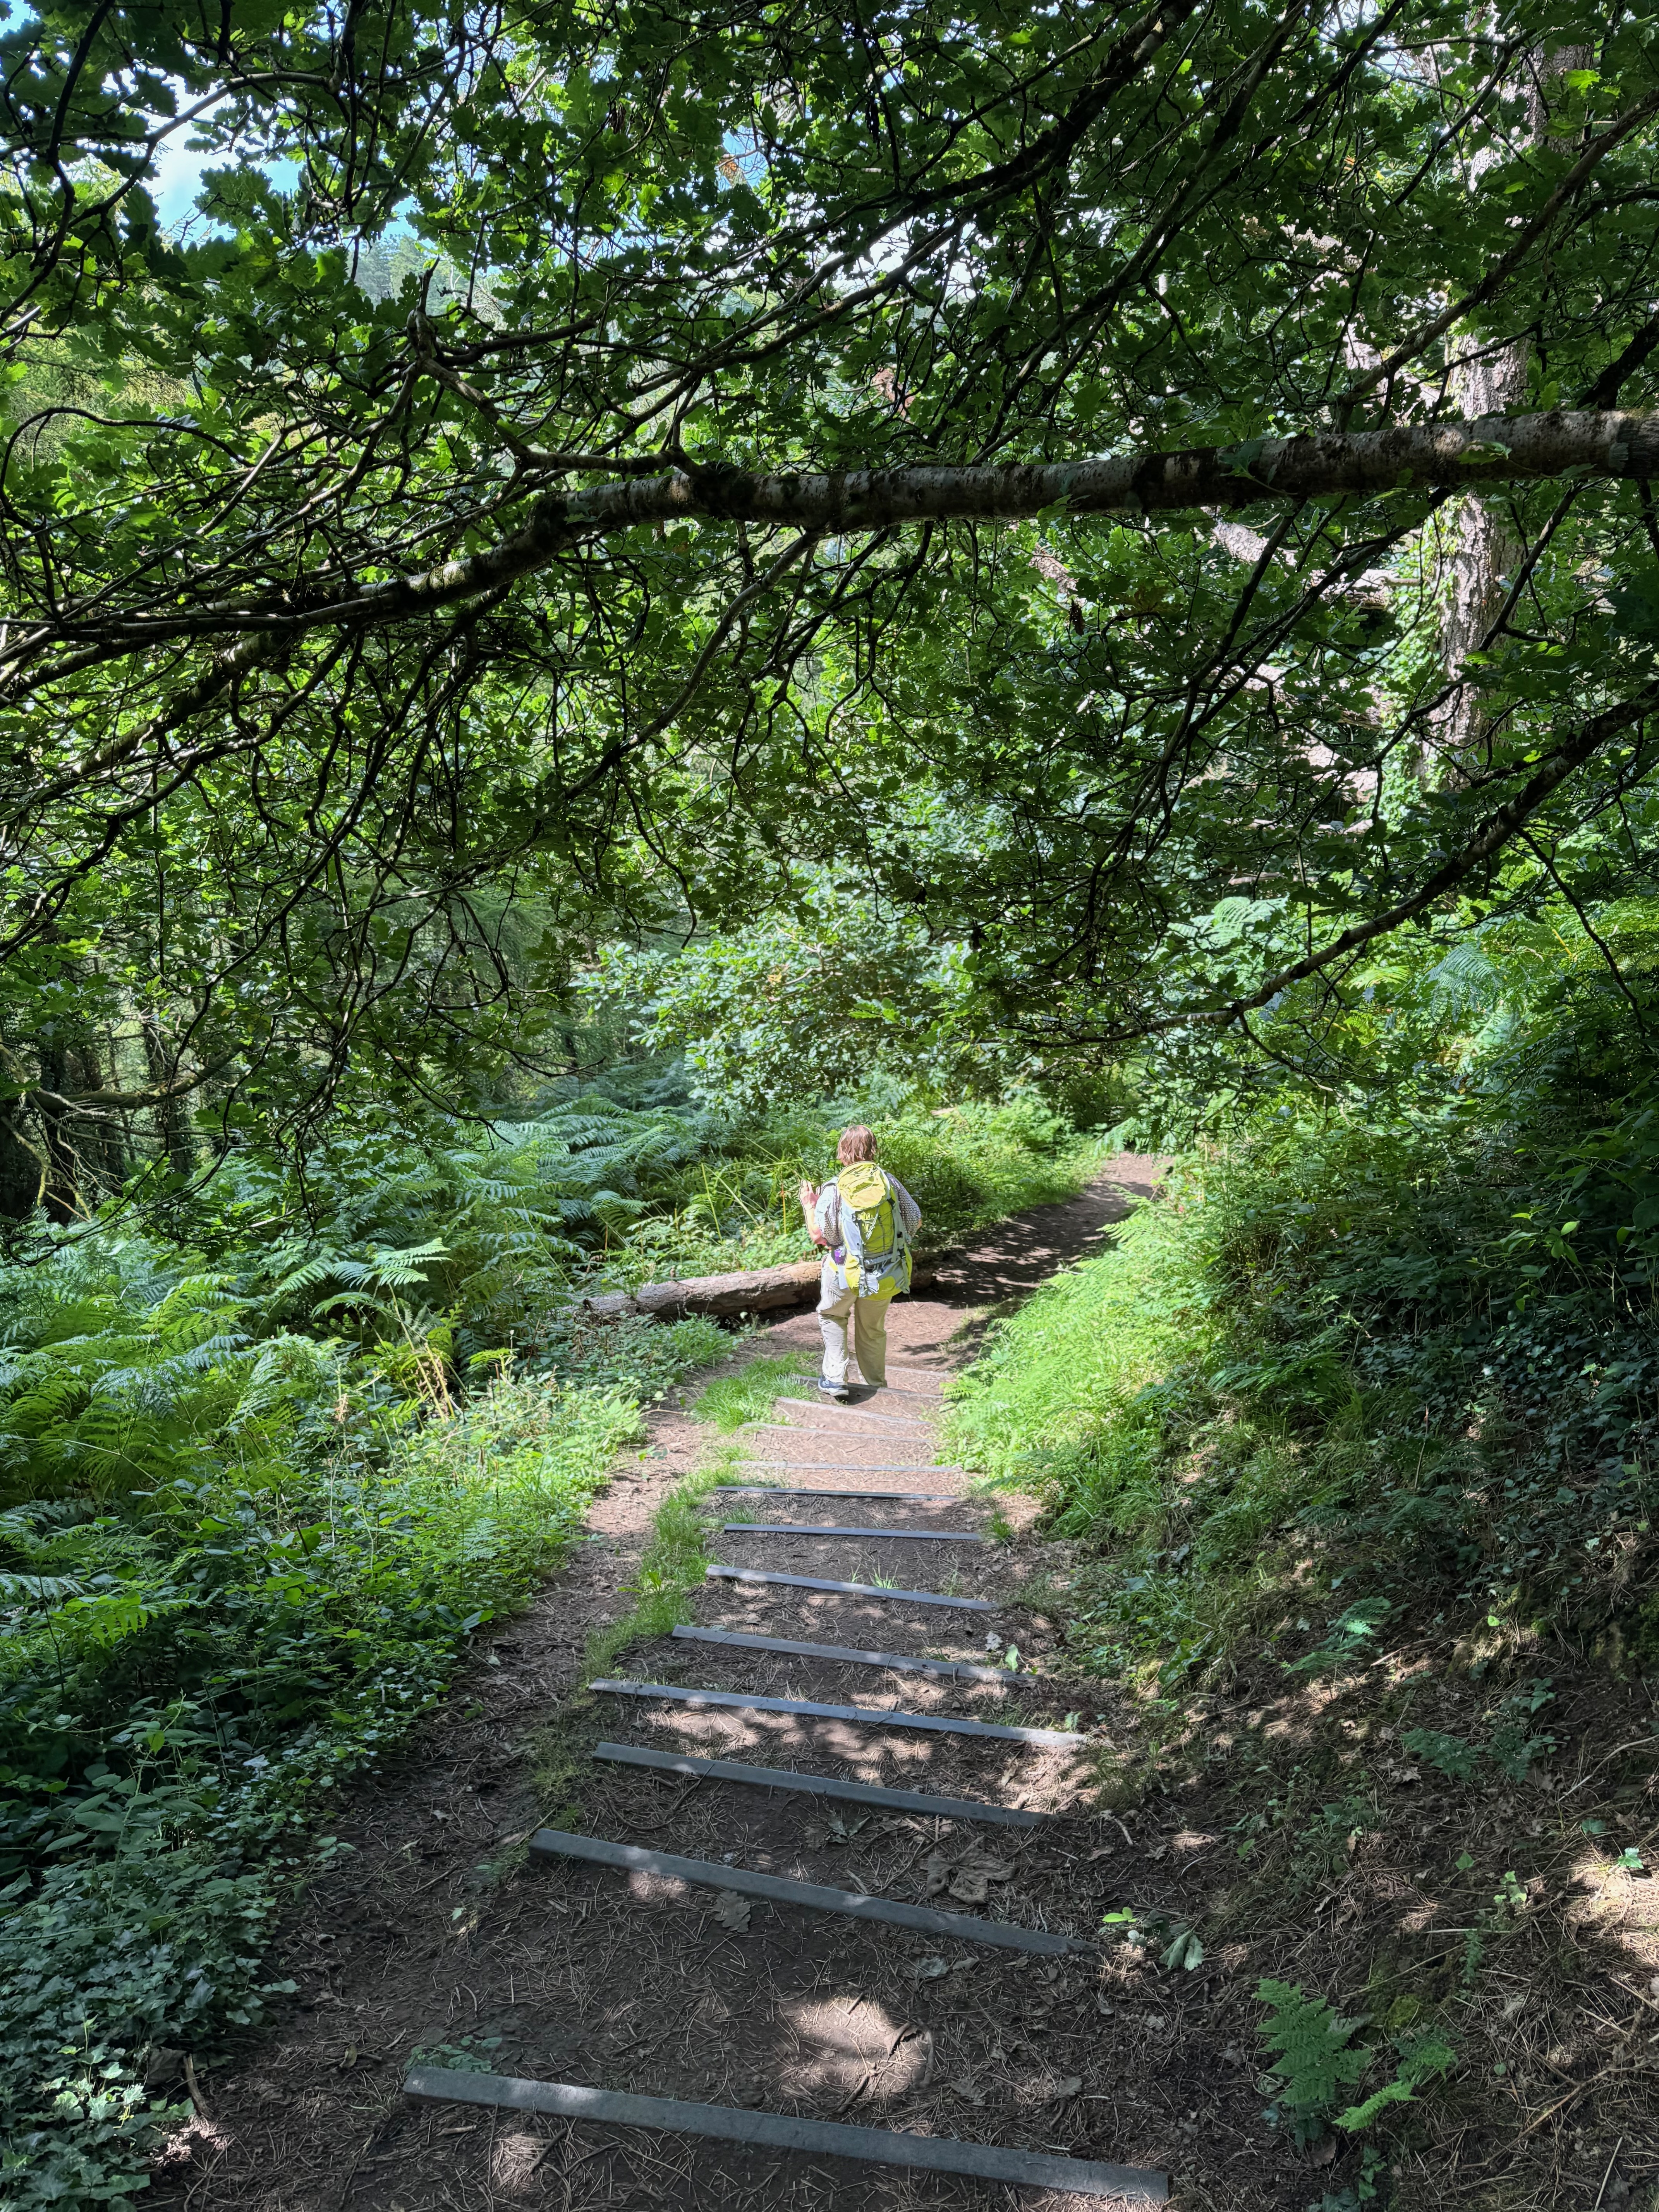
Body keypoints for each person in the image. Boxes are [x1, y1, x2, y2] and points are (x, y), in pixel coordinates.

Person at [797, 1126, 922, 1400]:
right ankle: (876, 1385)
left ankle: (835, 1379)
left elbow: (821, 1237)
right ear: (873, 1150)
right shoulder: (889, 1182)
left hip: (843, 1270)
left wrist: (809, 1204)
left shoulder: (834, 1187)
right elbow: (915, 1219)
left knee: (833, 1316)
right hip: (885, 1271)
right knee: (872, 1330)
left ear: (842, 1153)